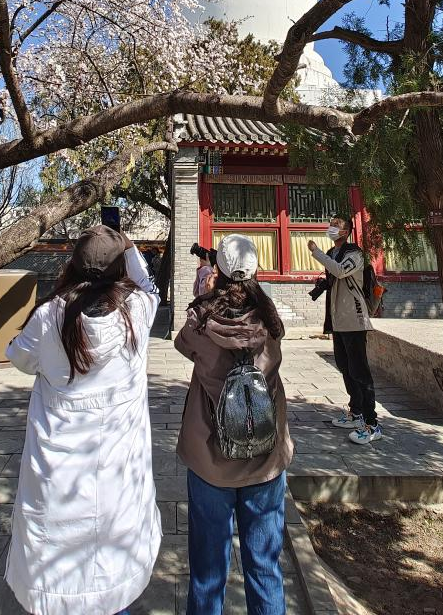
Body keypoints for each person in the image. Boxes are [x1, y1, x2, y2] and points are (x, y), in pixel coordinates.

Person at [4, 225, 161, 615]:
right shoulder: (137, 312)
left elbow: (18, 357)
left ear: (72, 264)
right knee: (114, 574)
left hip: (59, 475)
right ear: (119, 266)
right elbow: (149, 285)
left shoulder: (49, 316)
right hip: (119, 472)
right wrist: (129, 246)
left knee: (57, 572)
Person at [176, 233, 293, 615]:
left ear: (219, 270)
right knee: (265, 568)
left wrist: (205, 293)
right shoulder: (269, 318)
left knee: (208, 572)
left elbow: (182, 344)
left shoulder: (200, 320)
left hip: (210, 461)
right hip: (265, 460)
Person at [307, 216, 382, 445]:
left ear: (346, 231)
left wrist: (316, 252)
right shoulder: (333, 252)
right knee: (345, 367)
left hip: (354, 319)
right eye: (330, 224)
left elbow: (340, 271)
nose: (331, 228)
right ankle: (355, 412)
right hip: (338, 320)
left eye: (336, 226)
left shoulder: (355, 254)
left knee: (360, 371)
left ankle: (372, 424)